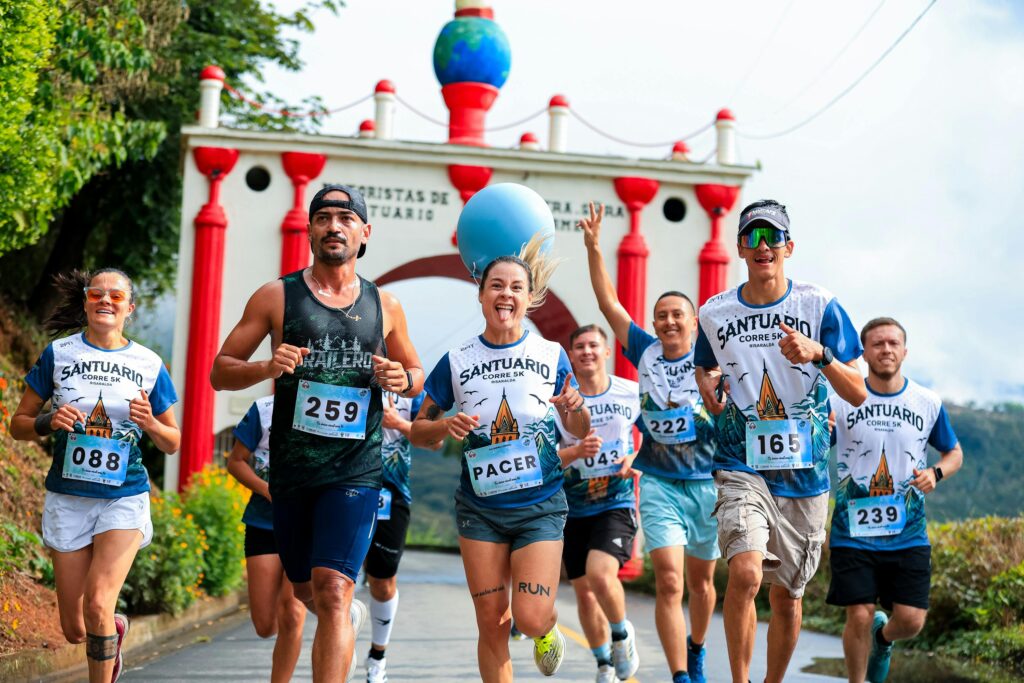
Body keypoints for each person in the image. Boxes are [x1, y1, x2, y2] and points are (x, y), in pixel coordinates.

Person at [210, 184, 424, 682]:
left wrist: (401, 378)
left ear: (365, 233)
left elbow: (415, 372)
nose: (334, 225)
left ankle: (341, 615)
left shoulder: (385, 305)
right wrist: (267, 364)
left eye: (346, 218)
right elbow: (221, 370)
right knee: (308, 590)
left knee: (332, 589)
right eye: (324, 217)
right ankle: (345, 619)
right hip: (293, 470)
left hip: (357, 469)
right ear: (309, 229)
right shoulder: (275, 296)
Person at [694, 199, 867, 683]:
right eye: (752, 237)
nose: (763, 246)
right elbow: (704, 365)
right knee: (746, 574)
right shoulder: (715, 312)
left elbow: (857, 390)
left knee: (787, 596)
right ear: (740, 249)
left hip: (804, 475)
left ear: (789, 247)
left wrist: (819, 354)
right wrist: (707, 383)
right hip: (741, 466)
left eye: (773, 238)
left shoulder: (818, 305)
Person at [409, 237, 591, 681]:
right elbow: (418, 430)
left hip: (540, 506)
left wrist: (573, 407)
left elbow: (582, 429)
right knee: (492, 622)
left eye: (515, 287)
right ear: (481, 294)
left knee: (528, 617)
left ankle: (547, 629)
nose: (505, 294)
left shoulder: (551, 355)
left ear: (529, 298)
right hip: (480, 510)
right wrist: (444, 426)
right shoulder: (456, 360)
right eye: (495, 285)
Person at [11, 269, 180, 683]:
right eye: (97, 294)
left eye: (116, 295)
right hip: (68, 496)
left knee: (100, 603)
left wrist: (151, 424)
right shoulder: (59, 353)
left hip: (124, 495)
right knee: (75, 628)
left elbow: (172, 441)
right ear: (86, 303)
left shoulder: (148, 363)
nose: (106, 300)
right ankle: (113, 633)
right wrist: (48, 421)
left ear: (129, 307)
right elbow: (18, 424)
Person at [580, 202, 717, 683]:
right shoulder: (645, 350)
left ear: (694, 321)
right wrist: (595, 247)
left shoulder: (712, 356)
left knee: (702, 583)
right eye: (661, 316)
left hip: (707, 482)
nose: (668, 322)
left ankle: (696, 647)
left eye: (677, 315)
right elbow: (609, 305)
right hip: (659, 482)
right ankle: (681, 673)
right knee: (671, 582)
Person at [827, 318, 962, 683]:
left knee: (912, 620)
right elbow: (815, 445)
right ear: (864, 352)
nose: (885, 350)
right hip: (852, 529)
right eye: (877, 344)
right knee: (858, 613)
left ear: (905, 351)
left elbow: (953, 452)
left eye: (893, 343)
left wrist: (936, 474)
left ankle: (883, 638)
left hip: (908, 532)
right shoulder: (839, 399)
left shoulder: (927, 402)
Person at [557, 324, 642, 682]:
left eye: (594, 345)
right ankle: (604, 662)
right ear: (571, 356)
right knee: (585, 594)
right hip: (573, 508)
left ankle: (621, 635)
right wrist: (576, 451)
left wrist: (635, 457)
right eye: (579, 347)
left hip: (615, 503)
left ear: (607, 352)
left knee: (600, 573)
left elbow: (656, 438)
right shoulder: (561, 401)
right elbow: (545, 458)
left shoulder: (632, 392)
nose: (587, 351)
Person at [226, 395, 307, 683]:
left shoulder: (329, 403)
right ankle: (340, 622)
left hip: (308, 522)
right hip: (264, 521)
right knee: (264, 625)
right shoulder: (264, 409)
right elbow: (236, 461)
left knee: (292, 612)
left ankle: (337, 628)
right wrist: (266, 489)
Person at [364, 389, 441, 683]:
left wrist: (398, 423)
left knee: (382, 583)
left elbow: (436, 441)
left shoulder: (412, 392)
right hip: (341, 486)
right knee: (334, 581)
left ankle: (377, 656)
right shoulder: (347, 369)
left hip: (390, 495)